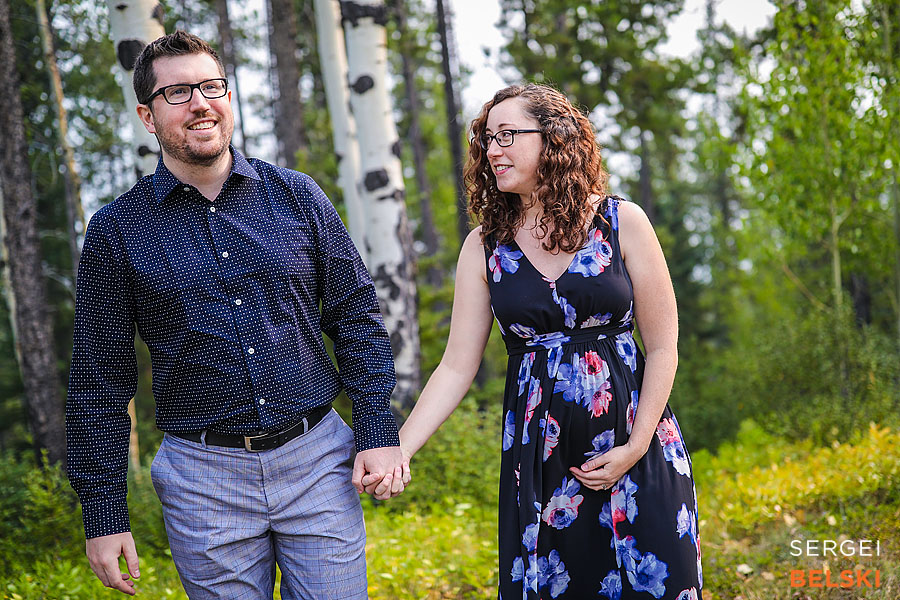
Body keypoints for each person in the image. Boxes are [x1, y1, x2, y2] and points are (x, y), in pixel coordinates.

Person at [65, 30, 405, 599]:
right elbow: (99, 379)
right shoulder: (116, 230)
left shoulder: (296, 196)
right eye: (178, 93)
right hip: (202, 480)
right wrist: (103, 514)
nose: (200, 103)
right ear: (149, 117)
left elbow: (356, 316)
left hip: (317, 459)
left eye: (211, 86)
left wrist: (377, 427)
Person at [395, 84, 703, 599]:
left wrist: (635, 446)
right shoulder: (485, 246)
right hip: (540, 467)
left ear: (554, 138)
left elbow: (665, 345)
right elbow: (455, 367)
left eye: (508, 135)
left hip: (637, 448)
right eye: (487, 139)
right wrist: (400, 449)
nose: (493, 150)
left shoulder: (621, 221)